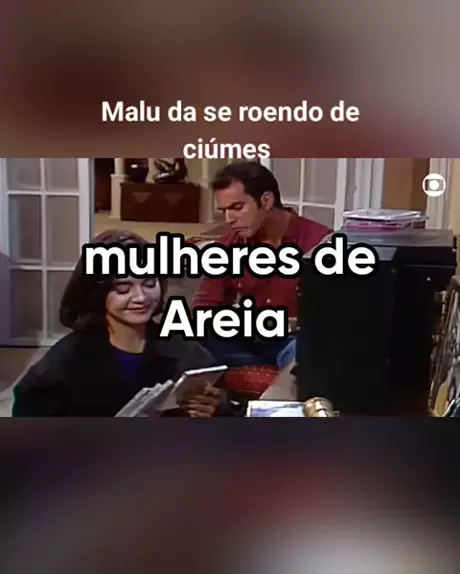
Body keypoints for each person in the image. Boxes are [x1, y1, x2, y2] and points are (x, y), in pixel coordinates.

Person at [12, 229, 230, 417]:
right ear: (98, 292)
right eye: (123, 288)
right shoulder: (61, 367)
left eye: (149, 283)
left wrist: (215, 407)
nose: (141, 298)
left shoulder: (186, 351)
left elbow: (227, 411)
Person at [192, 161, 332, 368]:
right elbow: (203, 307)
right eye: (224, 211)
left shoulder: (318, 242)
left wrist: (288, 323)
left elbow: (333, 317)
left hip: (293, 339)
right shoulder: (228, 246)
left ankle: (266, 375)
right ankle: (257, 373)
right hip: (244, 340)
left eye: (237, 207)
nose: (229, 219)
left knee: (306, 350)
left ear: (266, 201)